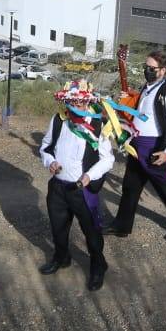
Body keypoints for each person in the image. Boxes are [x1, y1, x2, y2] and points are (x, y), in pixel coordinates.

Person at [105, 49, 166, 242]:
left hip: (153, 146)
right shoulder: (148, 87)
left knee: (163, 186)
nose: (147, 70)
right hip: (137, 143)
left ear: (162, 70)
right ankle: (122, 225)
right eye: (146, 67)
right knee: (130, 185)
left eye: (151, 68)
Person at [39, 93, 115, 292]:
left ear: (89, 100)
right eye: (72, 100)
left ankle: (99, 265)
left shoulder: (98, 124)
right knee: (58, 227)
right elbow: (45, 147)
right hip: (58, 186)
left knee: (91, 231)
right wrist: (50, 161)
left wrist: (89, 176)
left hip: (83, 189)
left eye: (80, 100)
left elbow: (108, 160)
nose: (76, 104)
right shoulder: (58, 119)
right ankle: (61, 257)